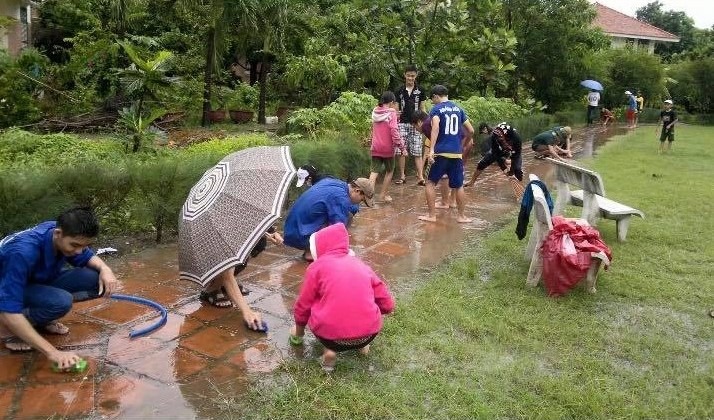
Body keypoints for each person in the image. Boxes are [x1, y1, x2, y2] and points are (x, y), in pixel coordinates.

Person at [0, 207, 118, 369]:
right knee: (60, 302)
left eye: (84, 246)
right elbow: (9, 310)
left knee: (95, 279)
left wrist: (106, 269)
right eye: (75, 245)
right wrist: (53, 352)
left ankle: (39, 319)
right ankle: (6, 328)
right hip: (6, 285)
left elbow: (88, 256)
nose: (79, 252)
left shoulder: (61, 231)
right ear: (57, 234)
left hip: (34, 279)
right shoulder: (22, 252)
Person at [289, 223, 394, 373]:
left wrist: (298, 333)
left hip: (331, 339)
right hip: (369, 334)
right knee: (361, 315)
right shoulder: (362, 266)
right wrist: (383, 310)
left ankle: (330, 353)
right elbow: (385, 301)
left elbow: (303, 305)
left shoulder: (316, 268)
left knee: (321, 310)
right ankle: (362, 347)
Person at [198, 227, 283, 331]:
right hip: (210, 254)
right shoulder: (220, 237)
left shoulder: (235, 223)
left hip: (231, 238)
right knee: (227, 268)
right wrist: (247, 312)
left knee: (250, 249)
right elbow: (227, 277)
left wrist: (271, 233)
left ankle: (224, 285)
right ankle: (211, 289)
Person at [419, 85, 474, 223]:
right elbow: (471, 130)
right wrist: (462, 144)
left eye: (433, 99)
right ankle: (461, 217)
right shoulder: (459, 109)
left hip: (440, 152)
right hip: (456, 154)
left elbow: (435, 127)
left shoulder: (436, 109)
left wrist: (431, 150)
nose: (433, 102)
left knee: (430, 183)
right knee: (459, 185)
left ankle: (432, 216)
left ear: (436, 96)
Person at [283, 177, 374, 262]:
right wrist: (342, 252)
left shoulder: (334, 182)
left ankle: (312, 249)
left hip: (292, 228)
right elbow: (338, 228)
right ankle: (311, 253)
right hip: (299, 235)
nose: (360, 203)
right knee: (346, 219)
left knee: (346, 214)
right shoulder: (340, 198)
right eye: (362, 200)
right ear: (357, 191)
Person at [369, 91, 406, 203]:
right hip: (388, 147)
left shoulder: (375, 111)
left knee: (374, 172)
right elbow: (394, 131)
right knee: (389, 171)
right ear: (391, 102)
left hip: (375, 146)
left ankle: (368, 196)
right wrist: (402, 147)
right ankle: (383, 195)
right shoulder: (392, 113)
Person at [394, 64, 428, 185]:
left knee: (417, 150)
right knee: (401, 150)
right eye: (408, 76)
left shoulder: (421, 90)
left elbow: (423, 107)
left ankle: (420, 176)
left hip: (417, 124)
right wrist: (394, 117)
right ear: (405, 75)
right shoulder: (399, 90)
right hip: (402, 123)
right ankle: (402, 176)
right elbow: (396, 108)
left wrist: (426, 123)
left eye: (413, 76)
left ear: (416, 75)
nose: (410, 78)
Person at [466, 122, 524, 187]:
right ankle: (472, 182)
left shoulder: (517, 140)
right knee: (482, 163)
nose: (499, 139)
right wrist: (505, 170)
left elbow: (515, 156)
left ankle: (521, 184)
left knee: (517, 171)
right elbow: (497, 156)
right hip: (500, 150)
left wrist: (511, 172)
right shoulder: (495, 136)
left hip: (511, 151)